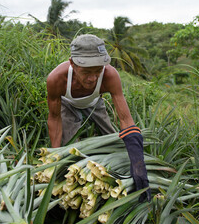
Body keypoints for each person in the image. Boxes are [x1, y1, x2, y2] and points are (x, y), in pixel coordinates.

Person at [46, 34, 151, 202]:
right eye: (87, 72)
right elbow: (54, 117)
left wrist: (138, 162)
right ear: (72, 63)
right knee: (66, 148)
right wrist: (55, 157)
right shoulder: (56, 79)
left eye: (98, 71)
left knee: (114, 142)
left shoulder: (110, 75)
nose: (93, 78)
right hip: (68, 103)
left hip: (95, 103)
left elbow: (125, 119)